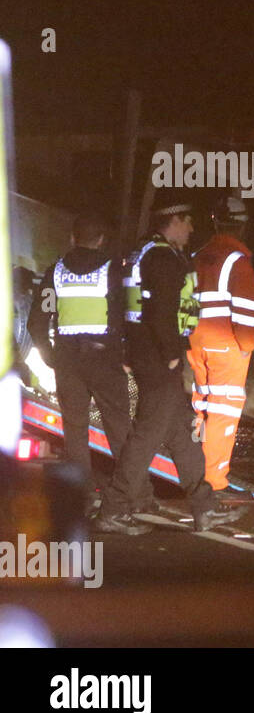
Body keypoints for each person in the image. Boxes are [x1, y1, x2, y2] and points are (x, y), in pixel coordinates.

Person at [95, 200, 248, 535]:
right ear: (173, 221)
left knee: (182, 435)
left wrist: (128, 348)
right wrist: (171, 354)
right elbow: (161, 311)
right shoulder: (163, 258)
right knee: (146, 437)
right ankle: (114, 509)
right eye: (187, 222)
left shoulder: (144, 252)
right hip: (158, 358)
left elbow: (127, 305)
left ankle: (204, 507)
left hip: (145, 353)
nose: (192, 229)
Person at [26, 213, 131, 511]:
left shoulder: (55, 272)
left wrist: (51, 357)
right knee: (119, 428)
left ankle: (83, 498)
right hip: (105, 359)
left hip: (68, 362)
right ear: (101, 241)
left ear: (72, 237)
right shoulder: (113, 272)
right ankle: (132, 495)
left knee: (75, 431)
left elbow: (37, 323)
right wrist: (126, 356)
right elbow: (125, 316)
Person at [188, 197, 254, 493]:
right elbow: (244, 308)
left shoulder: (199, 255)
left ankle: (194, 467)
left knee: (202, 405)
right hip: (225, 343)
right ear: (242, 225)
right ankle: (213, 480)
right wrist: (246, 344)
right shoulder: (237, 261)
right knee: (224, 410)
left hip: (196, 340)